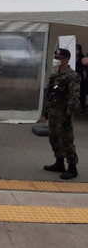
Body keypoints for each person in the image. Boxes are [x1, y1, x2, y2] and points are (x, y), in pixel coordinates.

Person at [42, 48, 80, 179]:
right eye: (55, 58)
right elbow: (50, 94)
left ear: (66, 60)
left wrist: (68, 115)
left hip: (63, 114)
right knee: (54, 139)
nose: (56, 60)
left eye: (59, 58)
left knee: (66, 141)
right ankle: (59, 163)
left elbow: (74, 97)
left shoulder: (72, 76)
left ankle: (72, 167)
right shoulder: (55, 75)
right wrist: (46, 109)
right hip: (53, 112)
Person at [75, 44, 86, 113]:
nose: (76, 50)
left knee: (81, 92)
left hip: (79, 75)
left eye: (77, 49)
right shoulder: (71, 56)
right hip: (73, 75)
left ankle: (82, 107)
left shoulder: (82, 57)